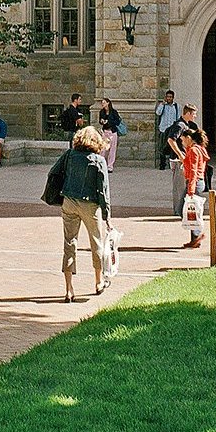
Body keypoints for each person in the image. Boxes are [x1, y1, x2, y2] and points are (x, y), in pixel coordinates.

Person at [49, 126, 112, 302]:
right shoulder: (99, 160)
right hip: (90, 204)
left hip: (69, 201)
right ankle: (99, 281)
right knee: (96, 242)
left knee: (69, 243)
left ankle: (69, 289)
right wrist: (107, 216)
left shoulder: (69, 155)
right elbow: (103, 190)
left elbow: (53, 172)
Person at [166, 105, 201, 221]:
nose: (195, 116)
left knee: (181, 186)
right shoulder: (180, 125)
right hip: (178, 161)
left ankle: (180, 210)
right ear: (188, 113)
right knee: (179, 187)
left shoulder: (186, 125)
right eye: (194, 114)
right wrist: (180, 154)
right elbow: (171, 139)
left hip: (181, 160)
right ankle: (178, 211)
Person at [180, 128, 210, 249]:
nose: (182, 142)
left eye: (183, 140)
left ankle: (197, 234)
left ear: (188, 138)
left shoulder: (193, 150)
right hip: (197, 182)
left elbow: (193, 171)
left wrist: (191, 189)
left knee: (185, 209)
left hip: (195, 182)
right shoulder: (196, 149)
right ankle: (194, 239)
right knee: (191, 210)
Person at [155, 90, 181, 170]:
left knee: (172, 147)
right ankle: (162, 164)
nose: (169, 98)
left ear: (173, 98)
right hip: (163, 129)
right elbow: (158, 113)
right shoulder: (163, 106)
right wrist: (162, 104)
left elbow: (178, 118)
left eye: (170, 97)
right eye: (167, 97)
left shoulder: (176, 106)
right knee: (162, 147)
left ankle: (172, 164)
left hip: (172, 130)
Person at [96, 97, 123, 172]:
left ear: (108, 103)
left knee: (112, 149)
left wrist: (109, 121)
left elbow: (117, 121)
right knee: (103, 149)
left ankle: (110, 166)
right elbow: (100, 121)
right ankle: (101, 165)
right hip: (105, 131)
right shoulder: (102, 112)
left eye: (104, 103)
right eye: (102, 103)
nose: (103, 104)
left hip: (112, 132)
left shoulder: (113, 112)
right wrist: (102, 121)